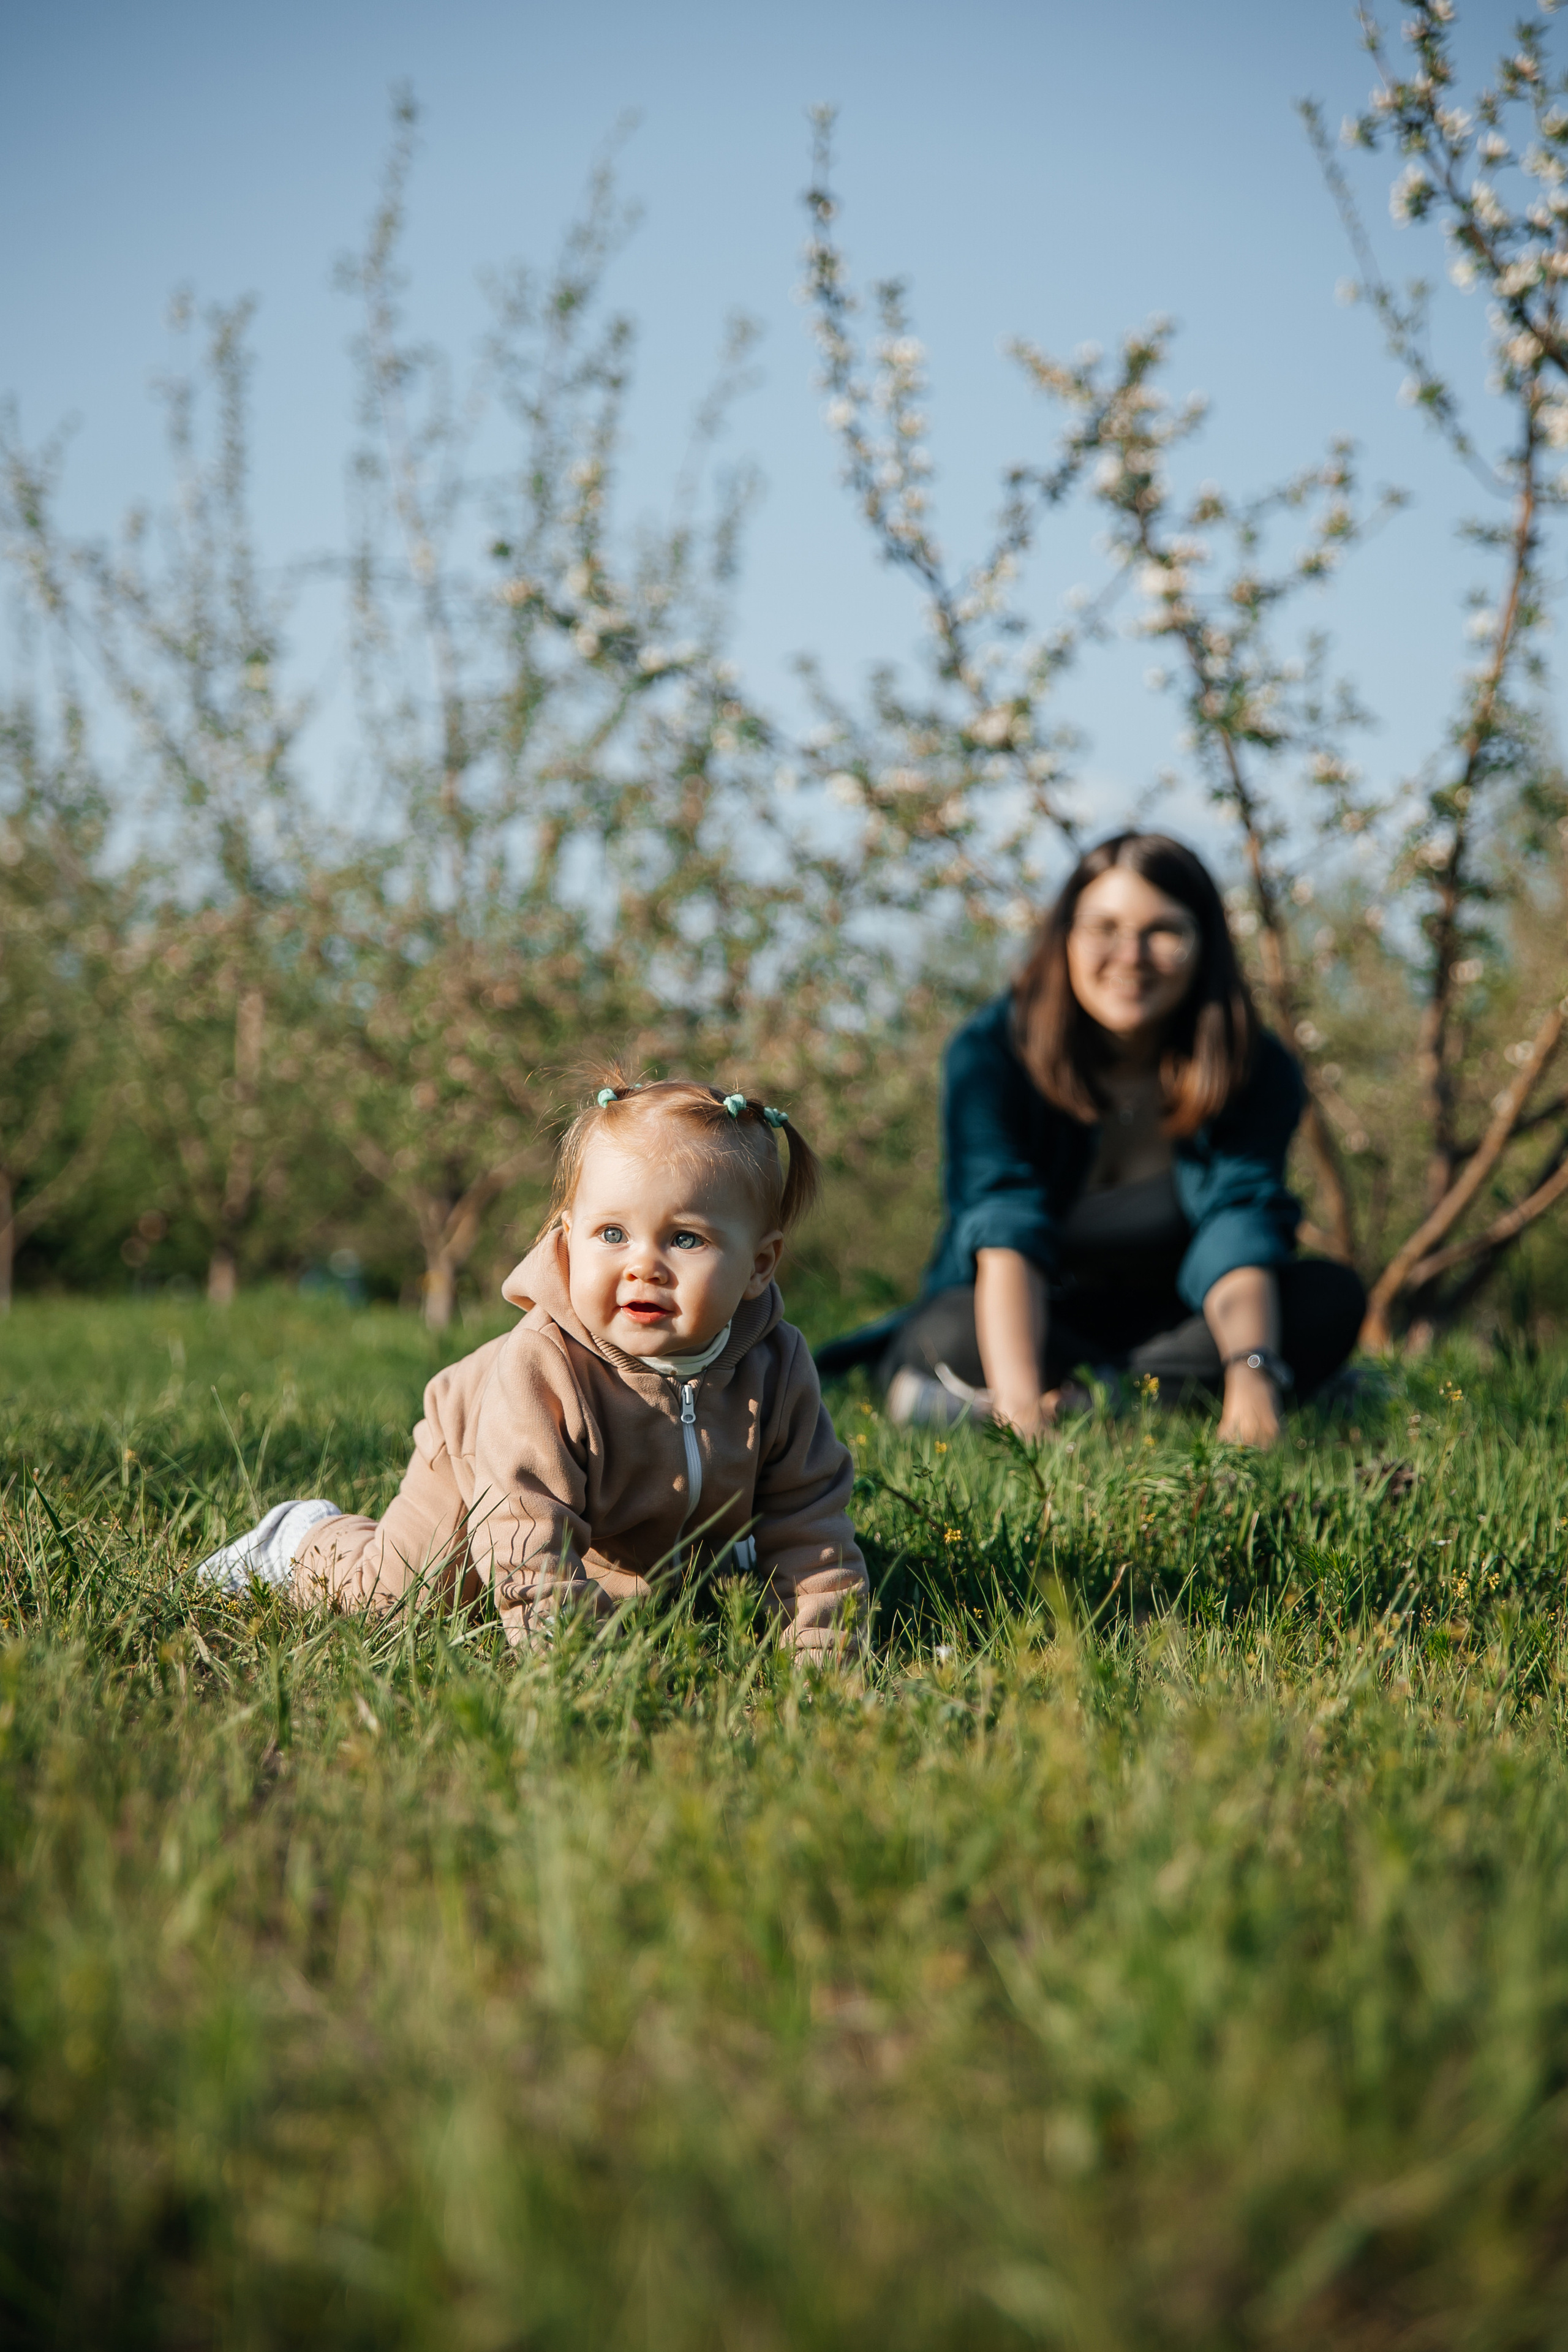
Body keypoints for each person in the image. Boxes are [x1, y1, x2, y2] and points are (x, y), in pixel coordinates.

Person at [197, 1080, 869, 1657]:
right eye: (612, 1234)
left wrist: (821, 1654)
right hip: (476, 1457)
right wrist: (579, 1661)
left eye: (684, 1238)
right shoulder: (543, 1365)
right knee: (401, 1599)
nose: (643, 1264)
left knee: (654, 1597)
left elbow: (810, 1523)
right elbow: (525, 1533)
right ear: (568, 1238)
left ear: (759, 1265)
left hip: (625, 1512)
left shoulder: (776, 1368)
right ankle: (303, 1540)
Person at [816, 832, 1365, 1447]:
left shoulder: (1255, 1068)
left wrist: (1252, 1380)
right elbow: (1003, 1224)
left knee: (1327, 1300)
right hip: (1034, 1317)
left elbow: (1241, 1222)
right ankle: (1126, 1403)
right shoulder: (989, 1055)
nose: (1130, 955)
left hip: (1176, 1322)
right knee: (945, 1329)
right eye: (1104, 927)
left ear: (1204, 944)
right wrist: (1021, 1410)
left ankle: (1081, 1402)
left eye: (1163, 931)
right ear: (1065, 937)